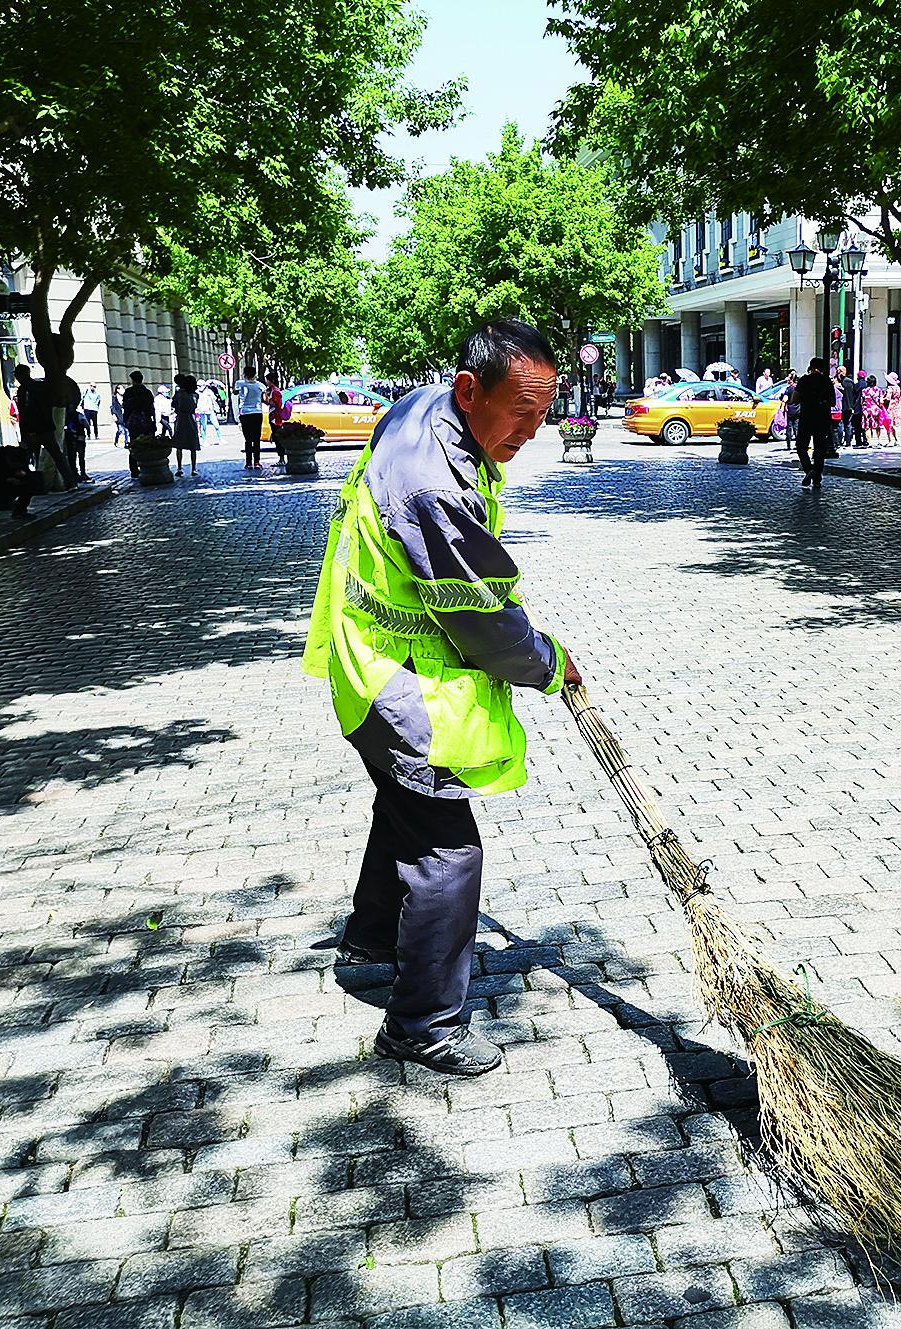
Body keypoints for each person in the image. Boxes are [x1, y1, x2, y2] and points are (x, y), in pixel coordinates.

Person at [302, 318, 580, 1078]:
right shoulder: (433, 482)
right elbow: (483, 621)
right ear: (469, 390)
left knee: (403, 805)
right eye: (520, 411)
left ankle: (372, 934)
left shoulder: (422, 408)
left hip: (363, 660)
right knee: (446, 849)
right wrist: (549, 662)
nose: (532, 429)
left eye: (543, 411)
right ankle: (422, 1024)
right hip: (396, 681)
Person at [793, 357, 836, 488]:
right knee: (819, 449)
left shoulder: (804, 380)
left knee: (801, 447)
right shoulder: (826, 381)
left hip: (806, 417)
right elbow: (833, 401)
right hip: (822, 419)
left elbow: (794, 398)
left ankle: (809, 469)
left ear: (811, 367)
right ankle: (817, 477)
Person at [235, 370, 267, 467]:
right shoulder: (261, 386)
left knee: (248, 439)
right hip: (257, 412)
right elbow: (264, 399)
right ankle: (257, 462)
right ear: (255, 375)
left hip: (245, 413)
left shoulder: (240, 383)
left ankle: (248, 462)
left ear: (245, 374)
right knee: (256, 438)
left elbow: (235, 392)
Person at [171, 373, 201, 476]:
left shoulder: (179, 393)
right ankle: (194, 468)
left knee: (179, 445)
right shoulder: (195, 395)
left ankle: (179, 468)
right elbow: (194, 406)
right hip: (191, 419)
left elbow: (173, 404)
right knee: (193, 445)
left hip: (180, 419)